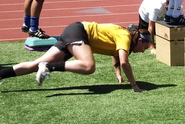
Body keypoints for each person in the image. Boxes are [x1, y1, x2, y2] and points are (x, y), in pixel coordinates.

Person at [0, 21, 152, 92]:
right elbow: (124, 62)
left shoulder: (124, 40)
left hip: (73, 31)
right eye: (145, 47)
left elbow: (116, 57)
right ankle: (48, 67)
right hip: (79, 32)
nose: (143, 51)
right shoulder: (124, 36)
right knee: (88, 66)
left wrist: (118, 75)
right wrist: (134, 86)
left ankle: (2, 74)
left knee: (35, 64)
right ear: (139, 40)